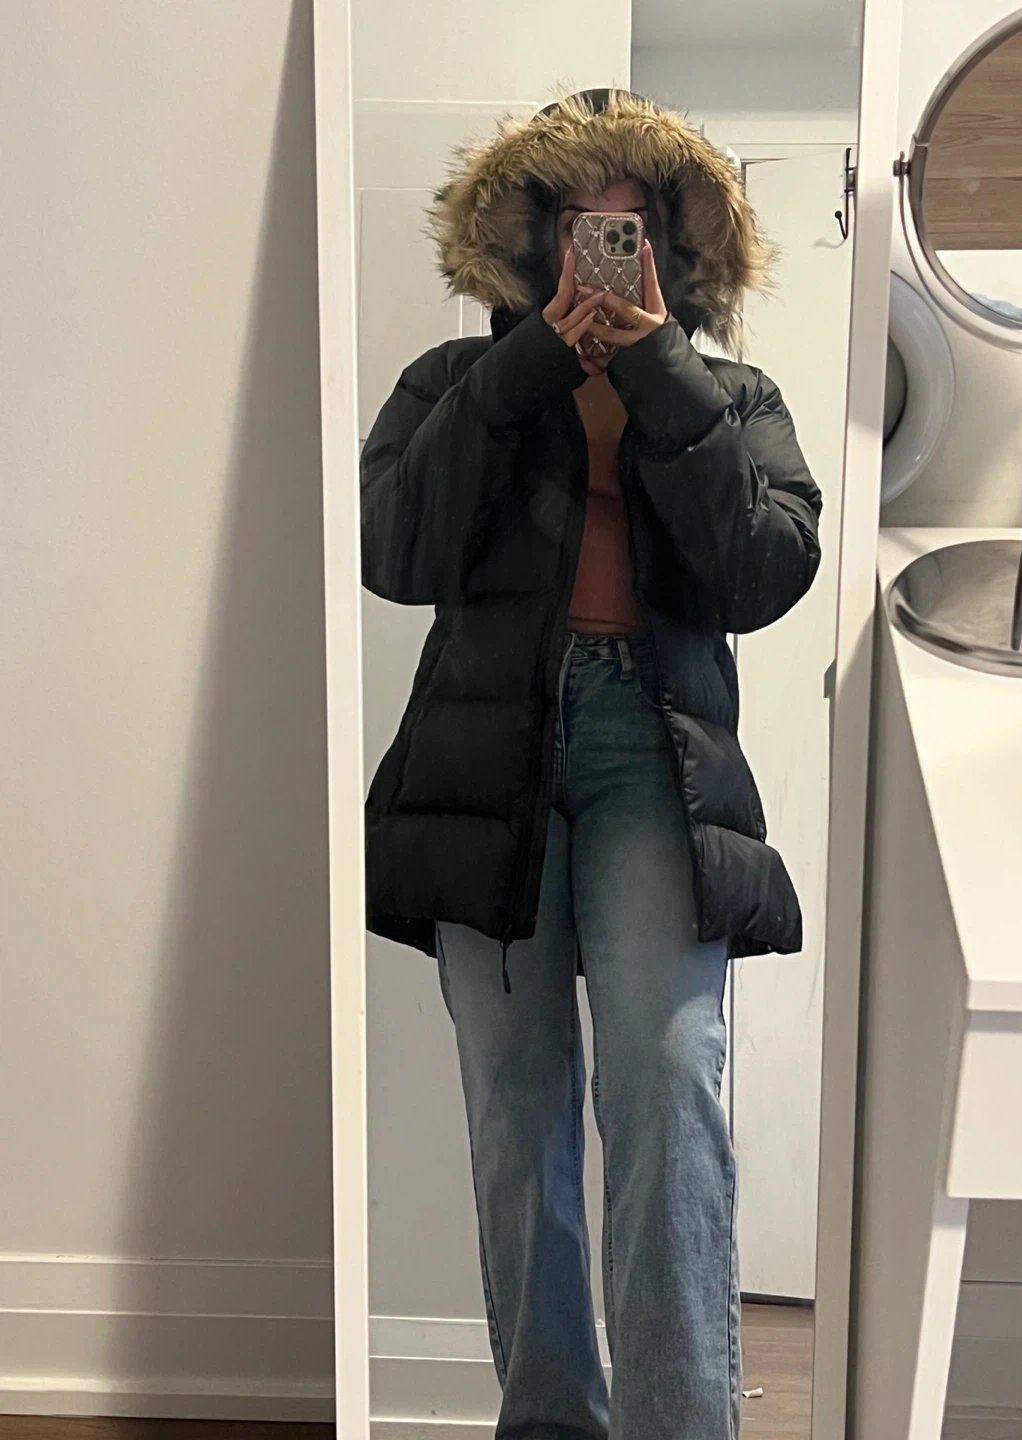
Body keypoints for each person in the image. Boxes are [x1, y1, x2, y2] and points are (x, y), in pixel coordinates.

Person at [361, 89, 821, 1440]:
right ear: (535, 241)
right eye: (580, 226)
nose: (605, 254)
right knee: (516, 1111)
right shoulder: (458, 383)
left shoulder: (732, 396)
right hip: (487, 754)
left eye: (631, 230)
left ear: (671, 248)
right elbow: (393, 548)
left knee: (670, 1083)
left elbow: (764, 572)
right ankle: (552, 1423)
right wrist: (526, 370)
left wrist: (661, 371)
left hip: (650, 758)